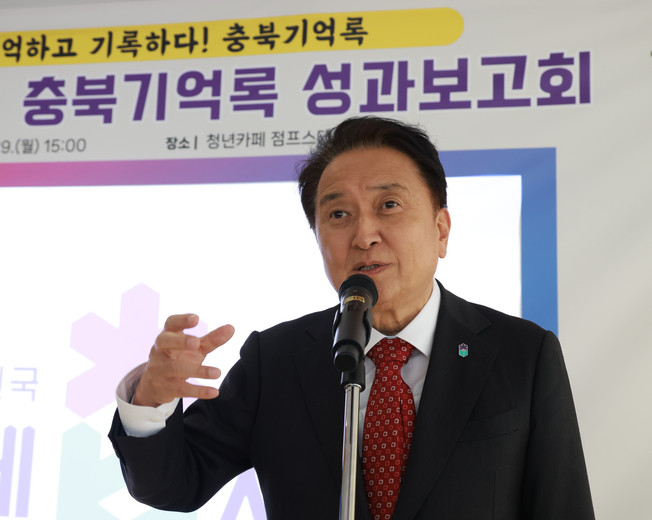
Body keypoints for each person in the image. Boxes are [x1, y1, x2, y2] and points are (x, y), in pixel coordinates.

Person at [108, 116, 595, 519]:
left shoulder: (521, 353)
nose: (364, 235)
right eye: (338, 215)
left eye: (389, 205)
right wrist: (152, 400)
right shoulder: (274, 360)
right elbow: (173, 485)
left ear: (441, 230)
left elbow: (562, 506)